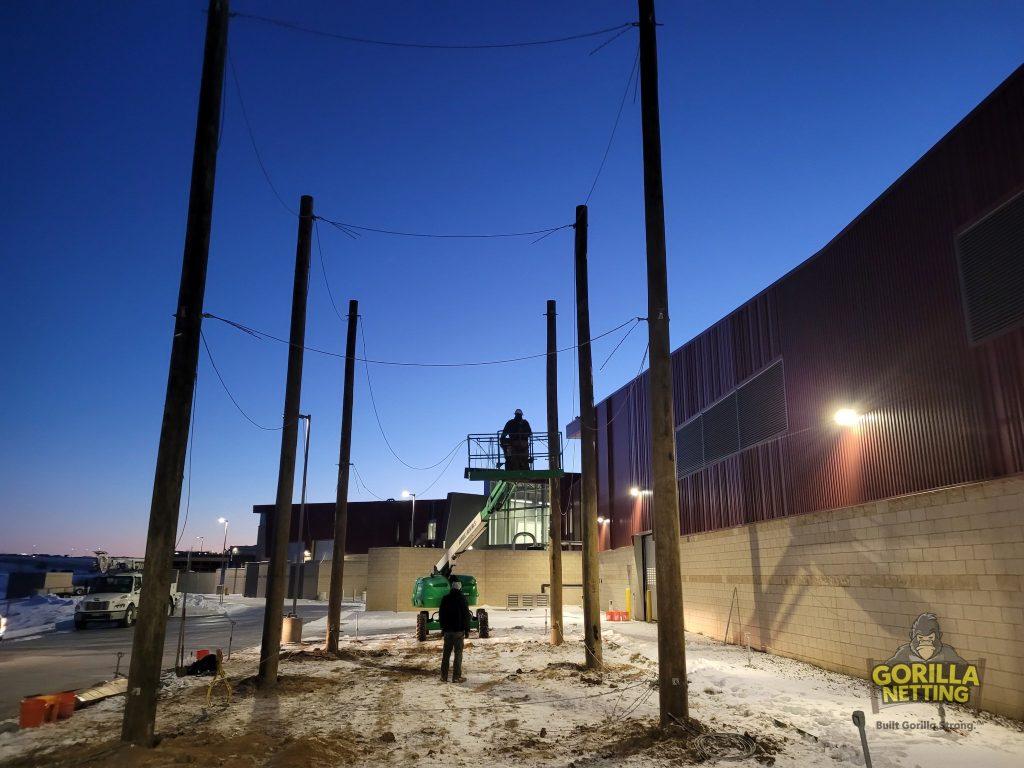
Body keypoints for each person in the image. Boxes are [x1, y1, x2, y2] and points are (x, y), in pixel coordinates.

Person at [439, 577, 472, 683]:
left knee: (446, 654)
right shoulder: (462, 599)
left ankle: (443, 677)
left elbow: (441, 615)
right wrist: (467, 630)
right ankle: (456, 677)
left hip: (448, 631)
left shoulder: (445, 598)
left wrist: (443, 628)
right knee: (458, 654)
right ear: (460, 588)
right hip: (458, 631)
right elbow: (466, 616)